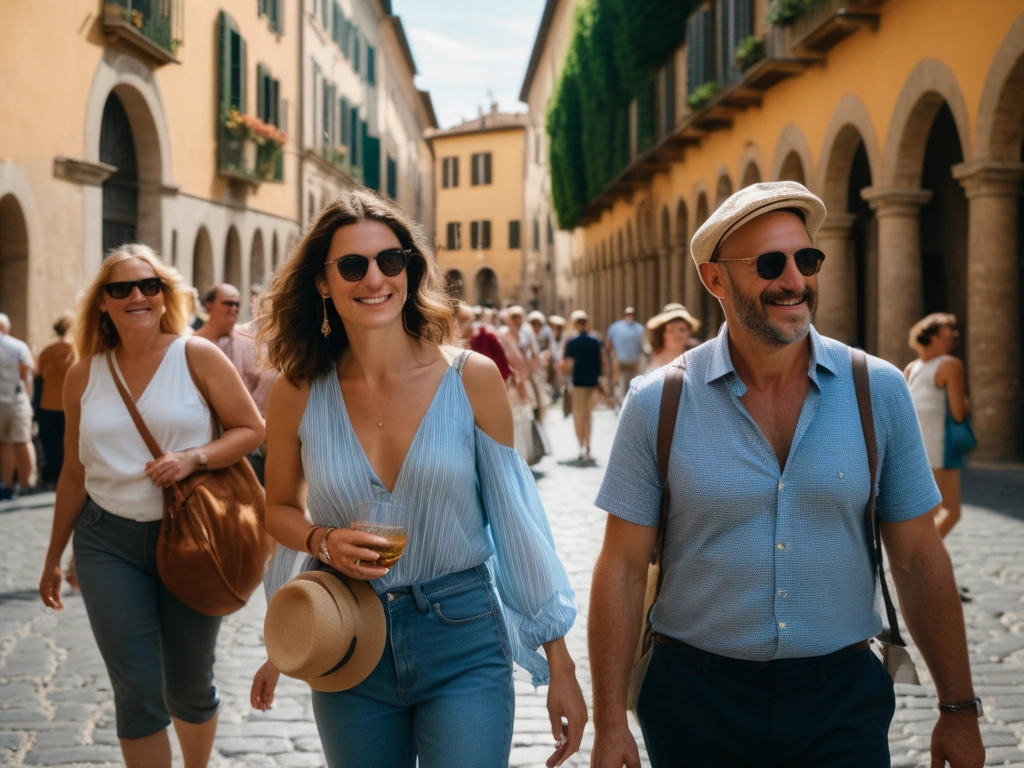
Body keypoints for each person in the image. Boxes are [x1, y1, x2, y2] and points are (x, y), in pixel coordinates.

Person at [589, 182, 984, 768]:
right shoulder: (656, 403)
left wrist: (959, 709)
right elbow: (621, 569)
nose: (795, 280)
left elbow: (919, 557)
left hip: (842, 699)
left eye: (807, 260)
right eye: (770, 264)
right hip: (695, 700)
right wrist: (609, 724)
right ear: (715, 279)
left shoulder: (878, 390)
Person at [253, 189, 586, 768]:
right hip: (348, 635)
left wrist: (560, 663)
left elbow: (516, 524)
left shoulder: (473, 379)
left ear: (409, 269)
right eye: (352, 265)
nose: (374, 278)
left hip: (462, 636)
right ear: (323, 283)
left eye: (390, 260)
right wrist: (321, 543)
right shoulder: (298, 391)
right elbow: (277, 509)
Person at [37, 244, 265, 768]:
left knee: (189, 684)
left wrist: (194, 458)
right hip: (106, 543)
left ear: (165, 295)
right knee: (137, 690)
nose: (136, 296)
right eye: (121, 288)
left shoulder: (196, 355)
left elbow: (251, 429)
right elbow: (73, 473)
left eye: (149, 285)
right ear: (102, 302)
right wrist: (53, 557)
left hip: (195, 538)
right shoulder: (83, 374)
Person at [196, 284, 275, 483]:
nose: (234, 309)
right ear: (209, 305)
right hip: (206, 440)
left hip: (253, 442)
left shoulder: (247, 341)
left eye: (238, 304)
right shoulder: (191, 343)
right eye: (228, 303)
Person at [905, 313, 969, 540]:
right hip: (940, 448)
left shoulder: (911, 368)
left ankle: (916, 554)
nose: (953, 339)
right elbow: (958, 412)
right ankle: (920, 555)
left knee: (926, 512)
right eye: (948, 335)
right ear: (932, 337)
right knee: (950, 512)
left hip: (914, 449)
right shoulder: (950, 364)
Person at [35, 312, 76, 487]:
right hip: (71, 403)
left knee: (50, 441)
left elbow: (38, 373)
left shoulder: (47, 351)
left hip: (48, 403)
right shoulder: (75, 349)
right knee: (69, 442)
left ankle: (52, 475)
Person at [0, 312, 35, 499]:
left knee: (4, 443)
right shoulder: (18, 346)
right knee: (22, 441)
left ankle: (6, 484)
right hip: (16, 399)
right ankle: (25, 484)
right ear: (5, 328)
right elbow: (26, 372)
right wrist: (28, 398)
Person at [561, 311, 603, 462]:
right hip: (593, 383)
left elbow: (568, 366)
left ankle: (581, 445)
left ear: (575, 325)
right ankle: (588, 446)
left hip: (578, 383)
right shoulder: (595, 341)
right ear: (587, 324)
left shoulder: (572, 342)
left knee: (578, 415)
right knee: (589, 416)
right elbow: (603, 361)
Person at [455, 302, 511, 381]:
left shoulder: (486, 336)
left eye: (465, 319)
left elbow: (501, 364)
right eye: (461, 320)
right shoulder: (447, 342)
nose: (466, 324)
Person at [605, 307, 646, 408]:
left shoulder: (639, 328)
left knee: (632, 381)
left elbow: (642, 344)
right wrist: (612, 356)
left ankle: (629, 403)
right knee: (619, 382)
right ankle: (620, 403)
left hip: (633, 361)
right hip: (619, 361)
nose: (630, 316)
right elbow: (608, 344)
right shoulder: (615, 327)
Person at [643, 303, 701, 373]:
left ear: (689, 333)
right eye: (671, 330)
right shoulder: (653, 366)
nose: (677, 335)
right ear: (663, 334)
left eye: (682, 329)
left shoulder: (697, 357)